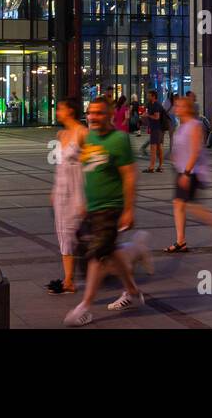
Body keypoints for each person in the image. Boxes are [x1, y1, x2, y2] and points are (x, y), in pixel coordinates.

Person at [63, 98, 144, 326]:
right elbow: (86, 170)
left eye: (99, 113)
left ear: (109, 114)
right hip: (92, 207)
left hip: (111, 207)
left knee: (97, 255)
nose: (93, 117)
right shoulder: (88, 137)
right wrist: (81, 201)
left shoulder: (119, 139)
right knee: (111, 251)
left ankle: (85, 307)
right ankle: (132, 292)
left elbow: (129, 176)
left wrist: (128, 210)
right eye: (91, 113)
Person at [165, 93, 212, 253]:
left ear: (186, 109)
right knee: (179, 204)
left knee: (191, 206)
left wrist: (187, 174)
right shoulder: (182, 125)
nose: (175, 109)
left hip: (191, 171)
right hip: (182, 170)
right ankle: (181, 241)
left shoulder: (194, 125)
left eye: (178, 106)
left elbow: (195, 151)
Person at [46, 96, 87, 295]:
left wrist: (85, 196)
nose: (57, 112)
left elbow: (90, 164)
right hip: (62, 191)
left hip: (77, 191)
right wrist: (54, 190)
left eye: (60, 108)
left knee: (78, 234)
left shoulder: (82, 132)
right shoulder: (61, 134)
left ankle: (110, 267)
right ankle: (68, 279)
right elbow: (60, 166)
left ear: (70, 111)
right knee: (64, 235)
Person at [143, 89, 166, 172]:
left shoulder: (156, 105)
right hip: (154, 128)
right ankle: (159, 166)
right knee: (158, 147)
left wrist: (148, 115)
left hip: (157, 128)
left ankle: (152, 167)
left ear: (153, 96)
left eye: (149, 95)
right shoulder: (150, 104)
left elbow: (157, 117)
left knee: (154, 148)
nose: (147, 96)